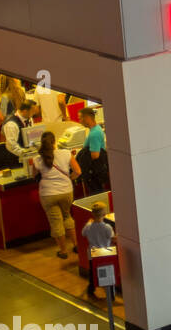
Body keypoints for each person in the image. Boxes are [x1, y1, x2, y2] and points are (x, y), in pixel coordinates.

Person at [32, 132, 81, 260]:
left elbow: (34, 175)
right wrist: (69, 178)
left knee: (55, 221)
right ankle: (76, 246)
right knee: (67, 216)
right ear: (55, 142)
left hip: (48, 193)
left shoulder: (37, 158)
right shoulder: (65, 153)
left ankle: (63, 251)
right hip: (66, 191)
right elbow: (78, 171)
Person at [82, 202, 116, 300]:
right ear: (105, 214)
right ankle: (110, 295)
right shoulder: (107, 227)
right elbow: (113, 238)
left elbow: (83, 234)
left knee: (93, 273)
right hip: (105, 254)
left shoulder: (88, 226)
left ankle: (91, 289)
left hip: (92, 254)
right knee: (109, 275)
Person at [0, 99, 34, 171]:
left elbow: (31, 137)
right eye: (33, 111)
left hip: (28, 158)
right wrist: (26, 154)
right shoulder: (11, 124)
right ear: (25, 111)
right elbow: (11, 146)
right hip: (15, 161)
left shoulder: (29, 119)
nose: (34, 114)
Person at [78, 106, 109, 193]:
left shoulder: (94, 134)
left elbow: (95, 155)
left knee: (96, 194)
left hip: (94, 173)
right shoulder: (96, 129)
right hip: (97, 171)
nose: (79, 121)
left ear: (87, 118)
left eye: (80, 118)